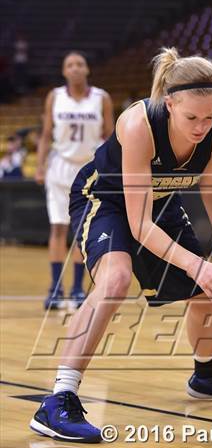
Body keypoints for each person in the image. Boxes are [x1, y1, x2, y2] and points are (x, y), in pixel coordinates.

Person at [30, 47, 212, 443]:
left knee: (207, 283)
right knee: (116, 279)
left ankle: (207, 376)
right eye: (192, 117)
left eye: (209, 117)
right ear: (169, 103)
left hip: (160, 199)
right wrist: (198, 265)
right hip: (106, 199)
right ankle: (58, 399)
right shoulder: (138, 124)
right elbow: (138, 224)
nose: (201, 126)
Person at [35, 52, 114, 310]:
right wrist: (39, 166)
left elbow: (110, 136)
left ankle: (79, 289)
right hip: (60, 168)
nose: (76, 68)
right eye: (70, 65)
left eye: (80, 64)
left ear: (87, 69)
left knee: (83, 232)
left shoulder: (101, 98)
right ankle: (56, 288)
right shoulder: (54, 97)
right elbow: (46, 134)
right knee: (58, 228)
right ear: (64, 71)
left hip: (90, 171)